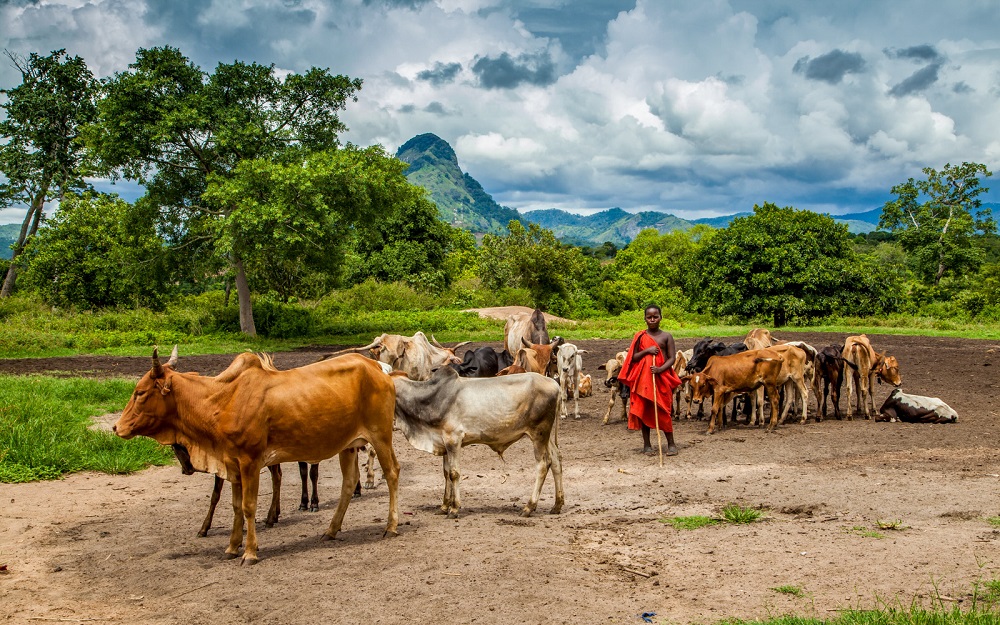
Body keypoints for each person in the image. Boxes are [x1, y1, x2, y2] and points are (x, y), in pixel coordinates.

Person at [617, 304, 681, 456]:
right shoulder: (640, 336)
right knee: (644, 409)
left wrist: (660, 369)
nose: (652, 319)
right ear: (645, 319)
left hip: (661, 378)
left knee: (664, 410)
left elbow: (672, 358)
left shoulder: (666, 336)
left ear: (660, 317)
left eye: (655, 317)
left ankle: (671, 444)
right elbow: (633, 357)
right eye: (649, 317)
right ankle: (647, 445)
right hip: (643, 380)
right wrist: (647, 350)